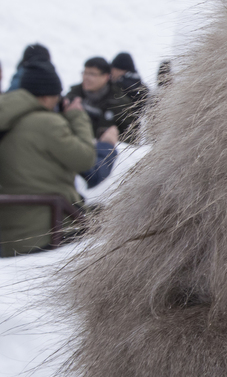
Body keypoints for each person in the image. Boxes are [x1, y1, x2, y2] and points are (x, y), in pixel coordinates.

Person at [0, 61, 96, 256]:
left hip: (10, 235)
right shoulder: (47, 123)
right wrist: (77, 117)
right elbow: (86, 159)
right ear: (45, 96)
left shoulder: (7, 121)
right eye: (56, 96)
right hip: (46, 232)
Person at [65, 57, 137, 142]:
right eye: (85, 73)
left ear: (106, 76)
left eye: (92, 74)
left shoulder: (120, 102)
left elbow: (132, 137)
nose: (86, 77)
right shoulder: (73, 95)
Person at [110, 52, 150, 126]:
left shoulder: (120, 86)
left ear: (122, 70)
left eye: (113, 69)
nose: (111, 73)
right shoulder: (141, 85)